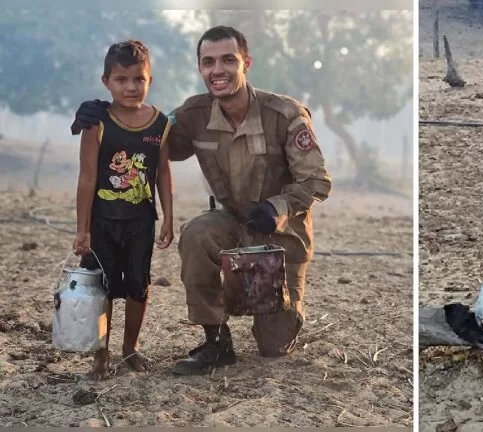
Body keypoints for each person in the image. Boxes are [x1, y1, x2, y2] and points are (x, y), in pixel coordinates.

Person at [71, 26, 332, 375]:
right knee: (196, 233)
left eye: (228, 60)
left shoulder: (284, 114)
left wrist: (277, 208)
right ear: (200, 68)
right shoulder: (193, 114)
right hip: (232, 222)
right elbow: (146, 132)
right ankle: (216, 341)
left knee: (273, 346)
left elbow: (317, 180)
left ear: (246, 63)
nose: (217, 70)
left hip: (279, 236)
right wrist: (100, 112)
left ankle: (284, 316)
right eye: (208, 62)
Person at [73, 40, 174, 378]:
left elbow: (163, 173)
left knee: (138, 285)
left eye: (138, 79)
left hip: (141, 222)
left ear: (150, 80)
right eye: (121, 79)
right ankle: (100, 353)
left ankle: (130, 348)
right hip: (102, 222)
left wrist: (168, 217)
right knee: (100, 287)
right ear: (106, 82)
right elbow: (87, 178)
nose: (131, 87)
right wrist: (82, 229)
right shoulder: (96, 123)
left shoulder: (160, 124)